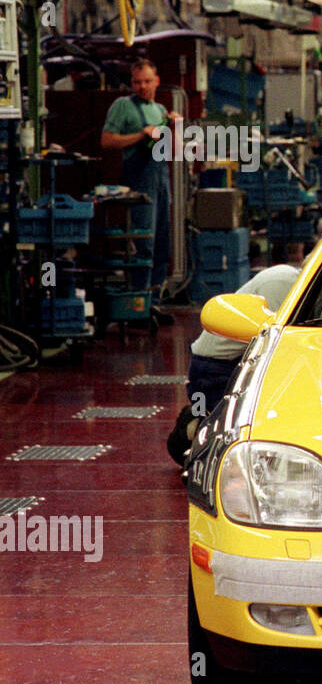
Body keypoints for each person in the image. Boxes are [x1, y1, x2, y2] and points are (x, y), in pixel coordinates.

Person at [166, 245, 306, 466]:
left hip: (232, 360)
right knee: (226, 448)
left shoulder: (290, 280)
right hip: (216, 369)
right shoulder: (283, 285)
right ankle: (196, 425)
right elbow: (280, 345)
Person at [101, 59, 182, 322]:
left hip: (160, 180)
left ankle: (153, 302)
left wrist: (174, 126)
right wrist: (141, 134)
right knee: (144, 244)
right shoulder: (123, 106)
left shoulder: (159, 109)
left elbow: (174, 150)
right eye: (137, 82)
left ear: (156, 81)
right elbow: (107, 140)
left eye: (147, 81)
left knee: (161, 246)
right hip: (139, 181)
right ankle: (137, 304)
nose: (142, 86)